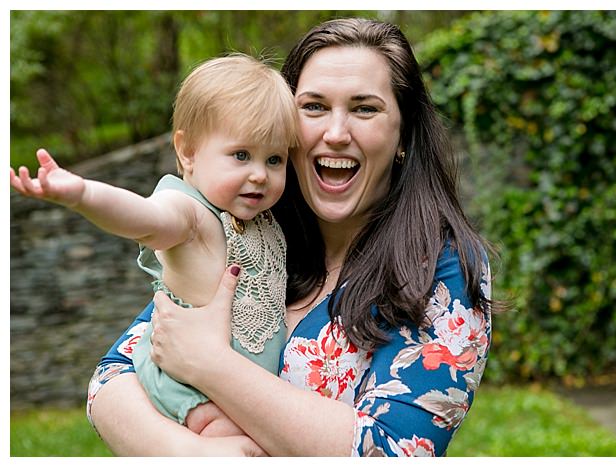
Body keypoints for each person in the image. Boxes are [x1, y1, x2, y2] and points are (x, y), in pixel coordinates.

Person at [87, 18, 494, 456]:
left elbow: (394, 449)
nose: (335, 134)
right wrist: (190, 453)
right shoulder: (252, 230)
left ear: (403, 134)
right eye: (314, 107)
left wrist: (211, 364)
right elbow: (111, 377)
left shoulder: (439, 264)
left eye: (364, 109)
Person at [10, 54, 299, 438]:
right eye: (241, 155)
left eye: (275, 159)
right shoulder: (190, 214)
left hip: (243, 388)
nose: (260, 174)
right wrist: (82, 194)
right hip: (195, 394)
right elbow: (143, 217)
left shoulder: (261, 219)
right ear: (188, 152)